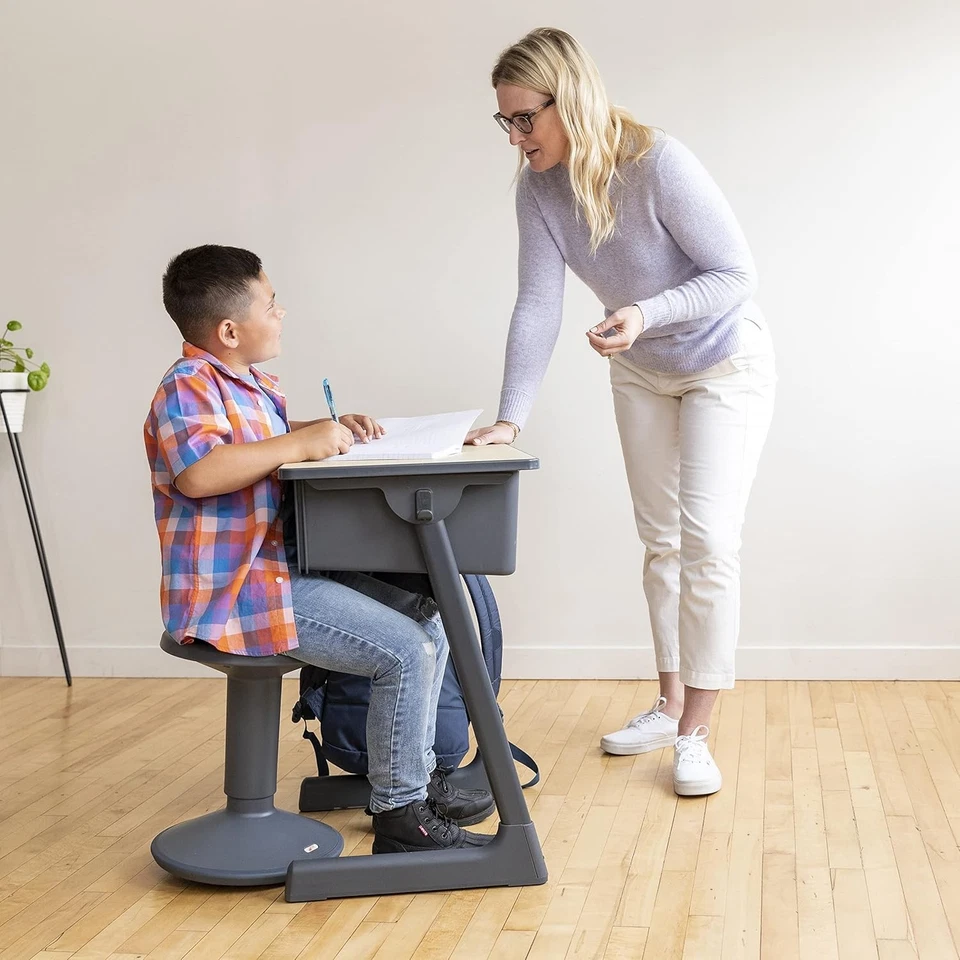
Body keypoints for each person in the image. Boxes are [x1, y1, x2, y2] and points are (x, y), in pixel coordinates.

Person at [468, 29, 776, 797]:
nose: (515, 137)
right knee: (660, 541)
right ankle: (669, 706)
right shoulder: (539, 190)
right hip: (642, 369)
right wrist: (512, 416)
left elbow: (737, 273)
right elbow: (539, 302)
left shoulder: (656, 163)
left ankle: (698, 733)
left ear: (567, 97)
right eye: (503, 122)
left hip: (721, 364)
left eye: (524, 119)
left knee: (709, 540)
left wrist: (644, 310)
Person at [144, 244, 494, 851]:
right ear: (230, 330)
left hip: (271, 574)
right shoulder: (188, 386)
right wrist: (298, 447)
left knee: (426, 616)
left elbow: (259, 443)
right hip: (232, 594)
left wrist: (319, 430)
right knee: (405, 650)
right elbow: (199, 473)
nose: (281, 313)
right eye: (271, 304)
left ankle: (409, 779)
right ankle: (401, 818)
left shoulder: (247, 386)